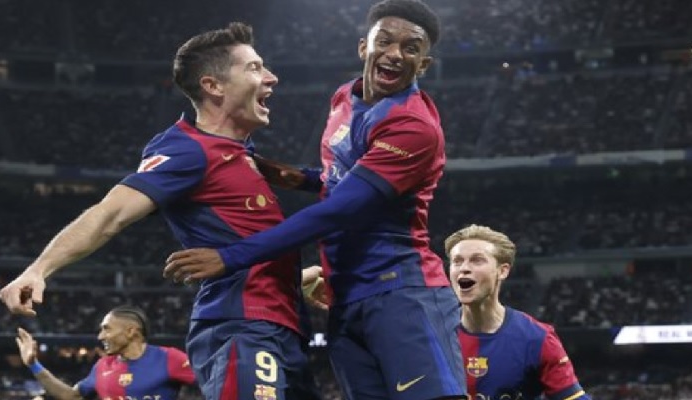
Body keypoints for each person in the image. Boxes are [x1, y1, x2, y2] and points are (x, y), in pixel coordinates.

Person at [0, 22, 320, 400]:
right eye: (254, 68)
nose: (271, 77)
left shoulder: (242, 155)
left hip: (286, 327)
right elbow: (110, 214)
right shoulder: (186, 149)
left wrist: (294, 277)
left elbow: (244, 239)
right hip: (243, 327)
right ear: (213, 86)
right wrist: (39, 269)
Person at [162, 1, 466, 399]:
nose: (395, 54)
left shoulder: (413, 125)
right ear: (364, 47)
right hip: (345, 298)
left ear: (422, 64)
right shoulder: (344, 98)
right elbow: (344, 176)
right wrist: (300, 177)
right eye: (385, 41)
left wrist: (231, 257)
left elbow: (339, 210)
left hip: (401, 292)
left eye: (410, 48)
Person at [445, 225, 589, 400]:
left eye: (477, 260)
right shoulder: (431, 335)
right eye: (457, 261)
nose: (464, 268)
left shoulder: (537, 338)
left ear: (502, 271)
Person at [16, 305, 195, 400]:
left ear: (131, 331)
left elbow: (209, 382)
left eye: (107, 329)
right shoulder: (102, 366)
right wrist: (33, 365)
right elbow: (71, 396)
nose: (100, 336)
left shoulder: (169, 358)